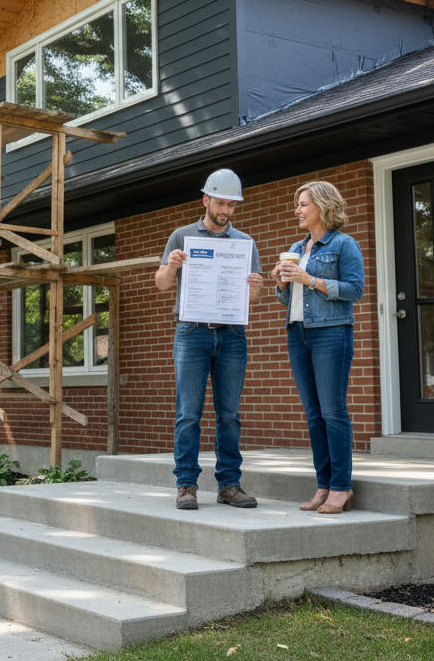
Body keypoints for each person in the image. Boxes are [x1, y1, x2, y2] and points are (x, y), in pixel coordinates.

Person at [154, 169, 264, 511]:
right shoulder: (182, 236)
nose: (226, 210)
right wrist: (171, 265)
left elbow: (254, 297)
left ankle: (229, 485)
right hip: (191, 333)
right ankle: (186, 485)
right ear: (206, 200)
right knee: (188, 412)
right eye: (220, 202)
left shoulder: (245, 243)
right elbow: (161, 284)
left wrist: (255, 285)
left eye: (232, 205)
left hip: (231, 334)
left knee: (229, 415)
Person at [270, 181, 364, 514]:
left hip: (330, 333)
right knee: (313, 415)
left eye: (303, 204)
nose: (297, 210)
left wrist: (309, 279)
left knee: (333, 412)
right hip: (298, 333)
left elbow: (355, 289)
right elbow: (289, 297)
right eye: (297, 204)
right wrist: (281, 282)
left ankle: (341, 487)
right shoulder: (297, 247)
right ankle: (323, 485)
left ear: (323, 207)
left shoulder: (343, 244)